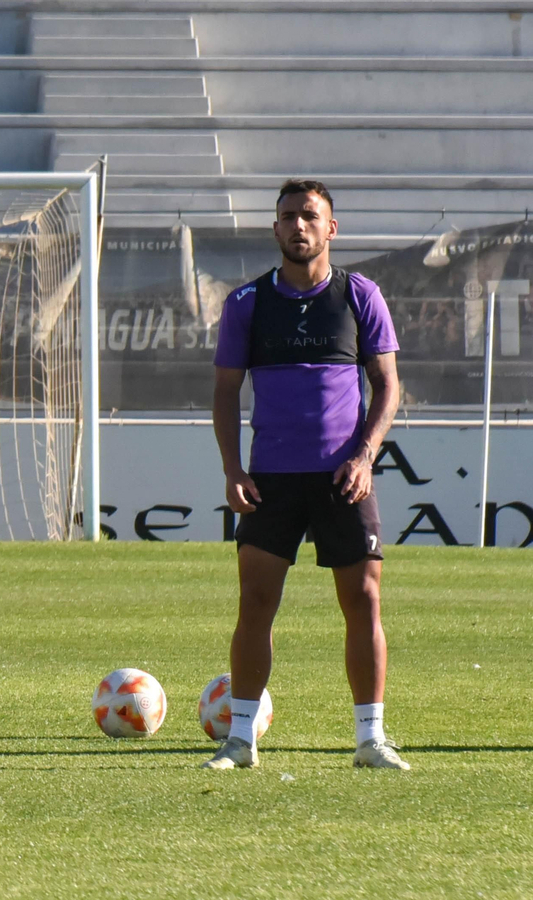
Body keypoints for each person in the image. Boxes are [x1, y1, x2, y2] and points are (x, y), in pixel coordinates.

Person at [206, 179, 408, 771]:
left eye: (310, 216)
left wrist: (364, 455)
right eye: (288, 216)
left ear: (331, 229)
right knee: (256, 602)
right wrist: (232, 468)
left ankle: (370, 738)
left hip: (343, 477)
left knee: (364, 600)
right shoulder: (246, 302)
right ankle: (240, 739)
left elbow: (388, 387)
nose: (299, 226)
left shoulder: (359, 295)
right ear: (275, 229)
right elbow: (224, 393)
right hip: (272, 478)